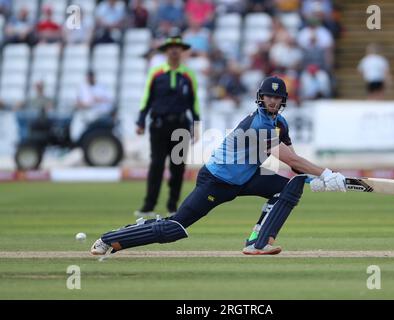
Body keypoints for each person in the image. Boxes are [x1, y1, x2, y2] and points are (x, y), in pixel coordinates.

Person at [91, 76, 346, 257]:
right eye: (269, 96)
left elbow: (293, 158)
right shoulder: (258, 125)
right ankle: (112, 239)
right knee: (175, 228)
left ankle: (257, 243)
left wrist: (314, 180)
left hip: (245, 178)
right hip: (216, 181)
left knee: (289, 186)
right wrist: (325, 174)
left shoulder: (280, 123)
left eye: (277, 97)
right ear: (260, 97)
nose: (273, 101)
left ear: (283, 101)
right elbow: (288, 160)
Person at [134, 35, 201, 218]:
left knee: (177, 166)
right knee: (156, 165)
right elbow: (146, 99)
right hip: (159, 124)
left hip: (180, 125)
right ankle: (148, 206)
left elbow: (194, 102)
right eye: (171, 46)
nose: (174, 50)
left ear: (182, 50)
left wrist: (196, 124)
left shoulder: (188, 74)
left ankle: (173, 206)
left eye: (177, 47)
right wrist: (141, 121)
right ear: (166, 50)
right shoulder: (156, 73)